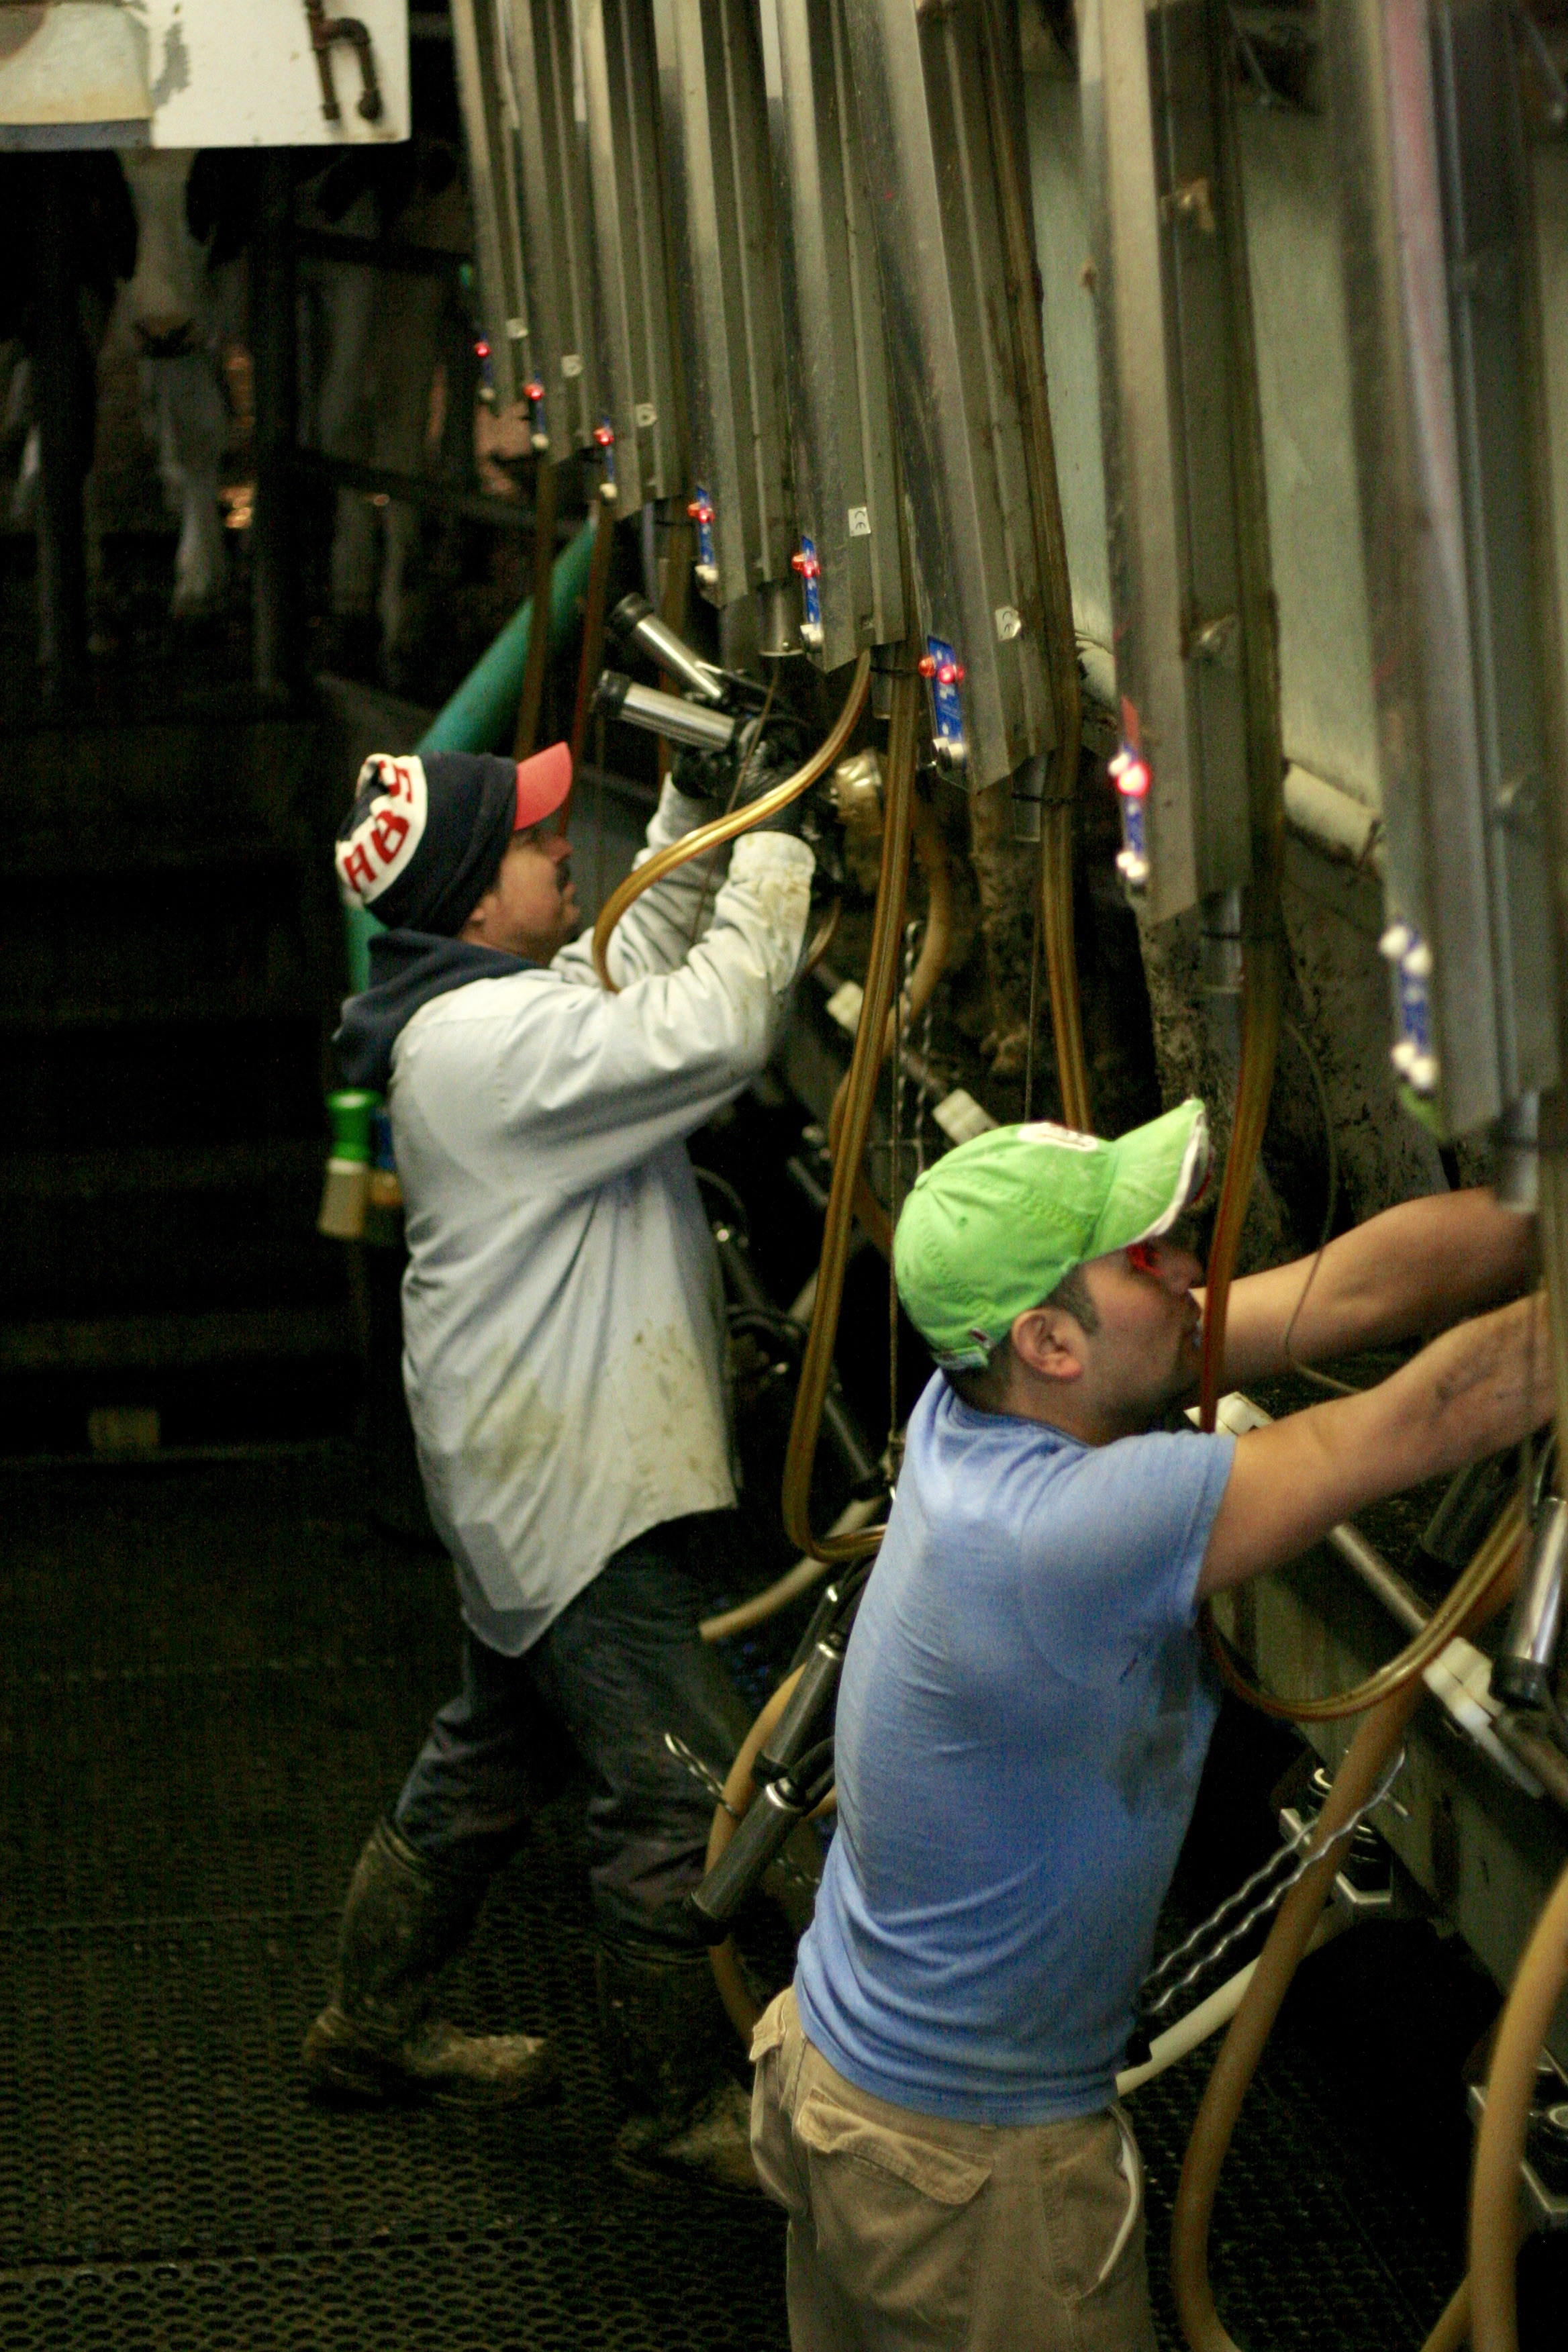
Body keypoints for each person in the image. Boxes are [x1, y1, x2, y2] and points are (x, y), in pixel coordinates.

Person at [750, 1101, 1547, 2347]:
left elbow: (1349, 1292)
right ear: (1052, 1342)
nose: (1187, 1268)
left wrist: (1540, 1219)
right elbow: (1431, 1418)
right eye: (1144, 1257)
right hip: (968, 2172)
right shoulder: (1076, 1530)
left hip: (839, 2074)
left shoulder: (974, 1403)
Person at [304, 734, 817, 2191]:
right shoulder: (488, 1047)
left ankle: (370, 2023)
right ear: (476, 903)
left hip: (523, 1469)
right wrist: (784, 851)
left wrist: (701, 804)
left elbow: (633, 957)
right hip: (574, 1491)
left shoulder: (483, 1006)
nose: (560, 851)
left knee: (490, 1755)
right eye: (536, 844)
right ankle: (670, 2111)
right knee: (681, 1789)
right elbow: (710, 1026)